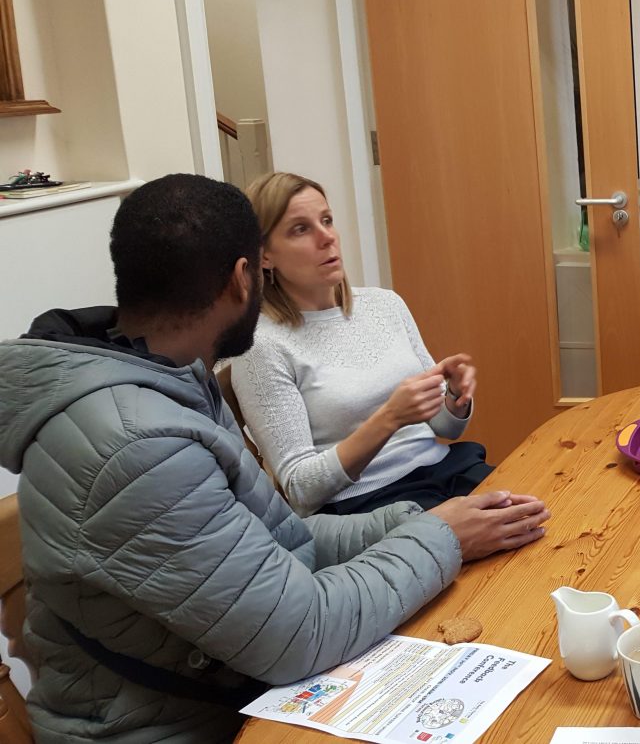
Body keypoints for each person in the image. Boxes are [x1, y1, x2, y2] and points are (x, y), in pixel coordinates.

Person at [0, 174, 549, 743]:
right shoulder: (136, 447)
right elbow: (300, 633)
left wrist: (414, 521)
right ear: (246, 276)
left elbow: (278, 541)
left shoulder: (170, 373)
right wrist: (441, 539)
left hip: (226, 687)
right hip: (178, 727)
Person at [233, 172, 495, 516]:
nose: (327, 237)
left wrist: (454, 400)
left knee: (554, 514)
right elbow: (300, 490)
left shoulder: (385, 305)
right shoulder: (261, 347)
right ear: (264, 256)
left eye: (326, 220)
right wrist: (389, 417)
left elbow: (442, 428)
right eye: (301, 229)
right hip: (367, 506)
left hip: (445, 471)